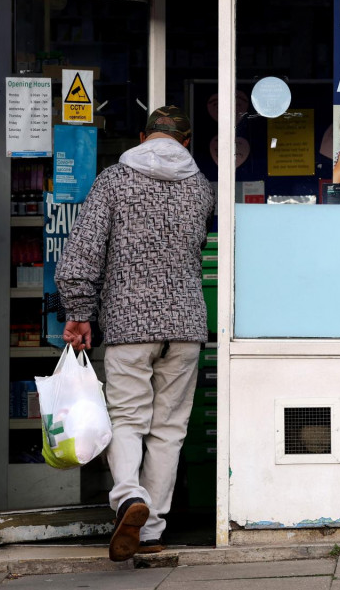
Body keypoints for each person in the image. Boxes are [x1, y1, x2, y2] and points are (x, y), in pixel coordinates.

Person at [55, 105, 215, 562]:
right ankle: (153, 529)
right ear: (185, 143)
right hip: (184, 325)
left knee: (127, 420)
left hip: (129, 324)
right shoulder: (200, 187)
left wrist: (80, 311)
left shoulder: (114, 179)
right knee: (169, 429)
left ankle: (129, 498)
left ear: (143, 137)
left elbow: (83, 253)